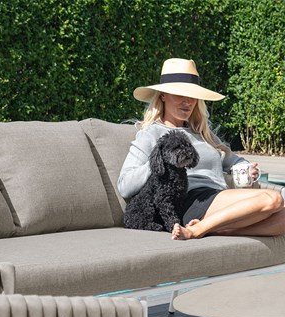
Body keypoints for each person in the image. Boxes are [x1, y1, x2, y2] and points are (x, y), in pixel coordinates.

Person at [118, 58, 285, 240]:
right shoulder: (152, 133)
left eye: (192, 96)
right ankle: (196, 230)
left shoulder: (202, 133)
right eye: (180, 94)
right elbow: (125, 185)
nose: (188, 101)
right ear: (163, 95)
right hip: (189, 198)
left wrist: (248, 169)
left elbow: (235, 161)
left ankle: (218, 229)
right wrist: (159, 160)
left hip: (218, 195)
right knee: (273, 199)